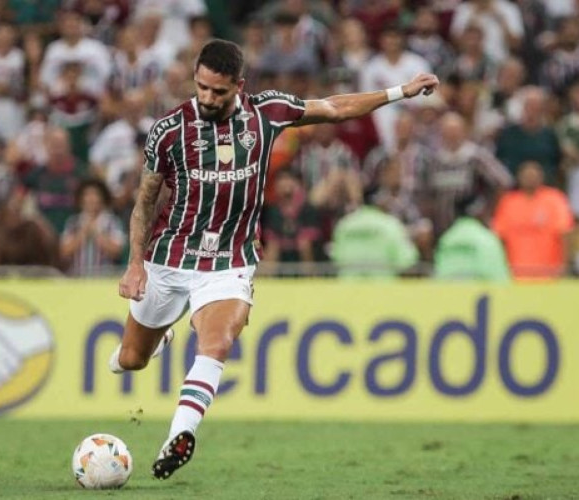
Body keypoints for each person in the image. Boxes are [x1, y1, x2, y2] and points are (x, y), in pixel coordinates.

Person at [111, 39, 438, 480]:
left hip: (230, 259)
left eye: (218, 92)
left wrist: (401, 91)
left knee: (217, 343)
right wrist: (135, 264)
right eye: (202, 88)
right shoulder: (169, 130)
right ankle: (160, 340)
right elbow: (145, 200)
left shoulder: (266, 113)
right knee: (132, 359)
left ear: (239, 87)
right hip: (169, 258)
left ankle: (179, 435)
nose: (208, 98)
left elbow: (335, 108)